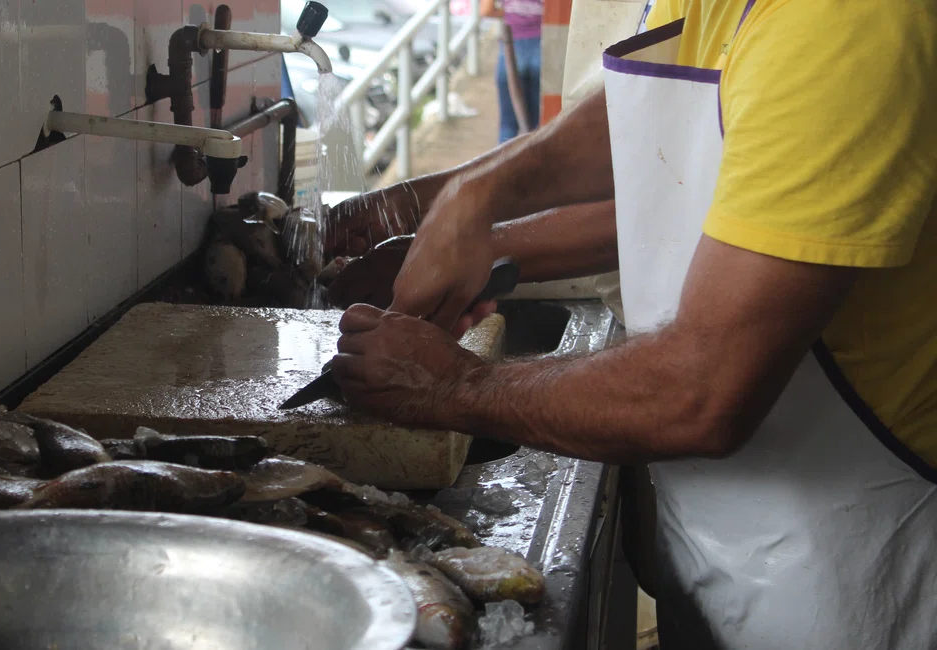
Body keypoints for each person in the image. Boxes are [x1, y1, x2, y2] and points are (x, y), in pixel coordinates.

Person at [323, 0, 937, 647]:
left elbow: (701, 392)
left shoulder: (849, 21)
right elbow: (672, 159)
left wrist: (448, 386)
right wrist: (465, 203)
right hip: (719, 541)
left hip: (855, 567)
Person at [481, 0, 544, 141]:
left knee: (508, 124)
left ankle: (504, 162)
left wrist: (511, 13)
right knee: (537, 124)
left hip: (511, 48)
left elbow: (486, 10)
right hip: (542, 47)